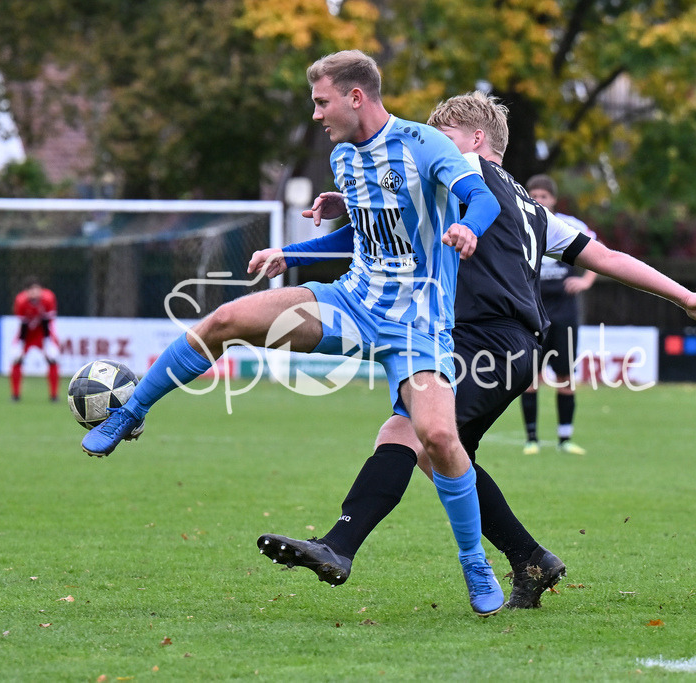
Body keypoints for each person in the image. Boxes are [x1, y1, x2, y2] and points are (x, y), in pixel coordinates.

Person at [257, 92, 696, 609]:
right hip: (513, 346)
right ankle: (531, 558)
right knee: (443, 455)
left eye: (445, 137)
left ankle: (338, 545)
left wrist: (347, 203)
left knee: (404, 432)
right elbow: (608, 257)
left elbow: (398, 197)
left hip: (482, 338)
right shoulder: (533, 208)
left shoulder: (463, 174)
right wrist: (684, 296)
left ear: (476, 140)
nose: (433, 147)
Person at [80, 50, 509, 616]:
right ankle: (130, 411)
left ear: (356, 96)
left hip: (417, 325)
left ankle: (474, 562)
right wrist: (291, 253)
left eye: (322, 102)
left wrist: (467, 228)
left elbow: (482, 198)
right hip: (352, 303)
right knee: (226, 320)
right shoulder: (343, 157)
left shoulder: (423, 144)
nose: (316, 114)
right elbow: (364, 234)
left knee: (438, 439)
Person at [521, 175, 596, 456]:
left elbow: (599, 253)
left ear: (553, 199)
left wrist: (585, 281)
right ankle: (531, 439)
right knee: (531, 377)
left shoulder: (570, 225)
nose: (539, 200)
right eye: (534, 195)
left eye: (544, 196)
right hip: (533, 311)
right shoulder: (520, 223)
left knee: (565, 375)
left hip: (565, 312)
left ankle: (565, 439)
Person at [10, 276, 60, 402]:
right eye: (31, 290)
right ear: (26, 292)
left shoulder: (48, 299)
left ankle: (54, 395)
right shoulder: (21, 301)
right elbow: (23, 325)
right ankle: (15, 395)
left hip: (43, 333)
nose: (35, 293)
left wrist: (47, 343)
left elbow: (47, 323)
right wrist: (20, 345)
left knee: (52, 359)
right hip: (27, 335)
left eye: (37, 290)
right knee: (16, 359)